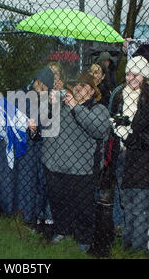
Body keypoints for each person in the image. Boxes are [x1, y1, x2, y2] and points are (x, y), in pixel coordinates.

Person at [41, 72, 110, 252]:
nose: (78, 87)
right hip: (56, 166)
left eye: (84, 85)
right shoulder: (62, 108)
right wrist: (49, 105)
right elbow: (46, 127)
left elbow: (99, 130)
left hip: (82, 170)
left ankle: (84, 240)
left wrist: (75, 107)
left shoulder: (98, 109)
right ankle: (61, 231)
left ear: (93, 92)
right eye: (77, 85)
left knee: (84, 208)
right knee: (58, 202)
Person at [109, 55, 149, 254]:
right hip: (123, 159)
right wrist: (116, 126)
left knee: (142, 209)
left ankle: (141, 252)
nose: (131, 77)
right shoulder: (120, 95)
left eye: (136, 74)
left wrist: (128, 135)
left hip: (145, 160)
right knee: (128, 206)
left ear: (145, 76)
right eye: (128, 73)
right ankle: (128, 249)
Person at [0, 66, 54, 228]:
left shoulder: (47, 104)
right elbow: (5, 115)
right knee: (11, 180)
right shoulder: (19, 94)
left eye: (44, 88)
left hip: (32, 150)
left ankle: (26, 219)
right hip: (13, 147)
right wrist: (0, 103)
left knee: (28, 184)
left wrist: (35, 130)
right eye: (38, 85)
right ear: (34, 81)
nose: (39, 89)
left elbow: (45, 129)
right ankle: (9, 213)